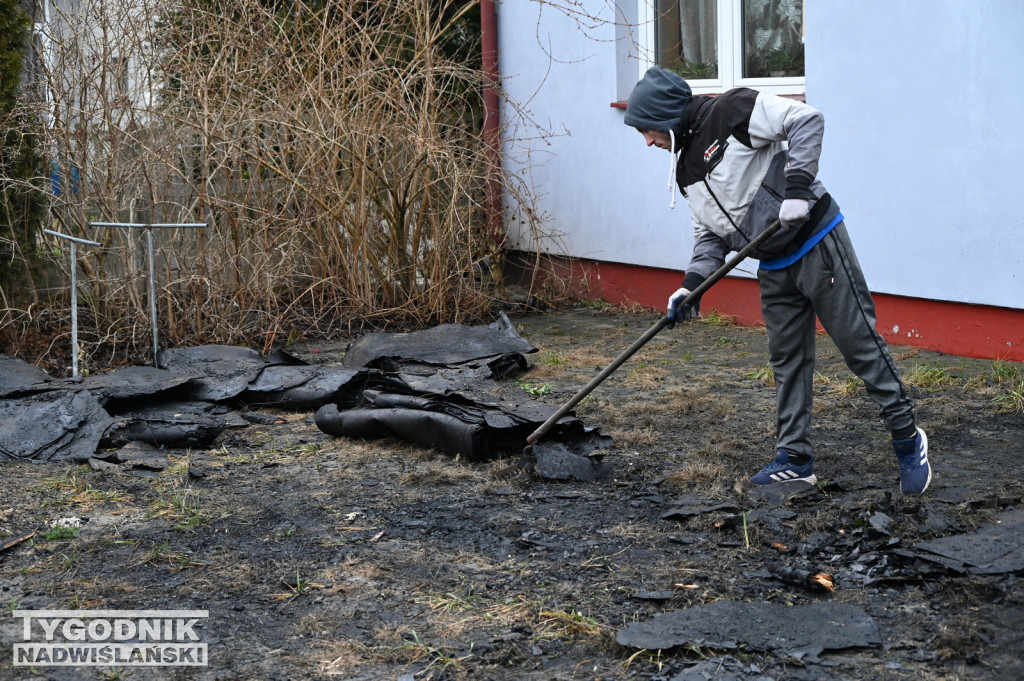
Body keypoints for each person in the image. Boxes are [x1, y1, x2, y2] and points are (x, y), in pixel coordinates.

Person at [623, 67, 931, 494]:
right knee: (787, 363)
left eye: (648, 130)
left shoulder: (732, 110)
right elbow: (710, 235)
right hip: (771, 262)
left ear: (665, 114)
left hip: (815, 241)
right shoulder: (685, 170)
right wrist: (691, 283)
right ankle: (796, 460)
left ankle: (907, 438)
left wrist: (798, 189)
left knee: (858, 345)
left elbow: (806, 119)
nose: (648, 141)